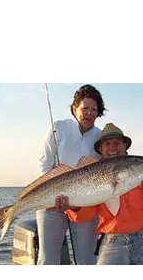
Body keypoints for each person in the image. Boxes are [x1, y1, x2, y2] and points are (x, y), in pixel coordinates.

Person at [54, 123, 143, 265]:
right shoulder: (92, 175)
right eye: (107, 144)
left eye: (117, 143)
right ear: (101, 149)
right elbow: (86, 215)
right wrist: (73, 207)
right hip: (112, 243)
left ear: (125, 147)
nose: (112, 148)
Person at [36, 84, 106, 264]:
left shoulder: (101, 137)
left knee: (86, 260)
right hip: (52, 201)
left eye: (94, 110)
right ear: (74, 109)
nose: (89, 113)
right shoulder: (58, 127)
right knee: (47, 260)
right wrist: (54, 196)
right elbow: (45, 164)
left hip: (84, 205)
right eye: (85, 108)